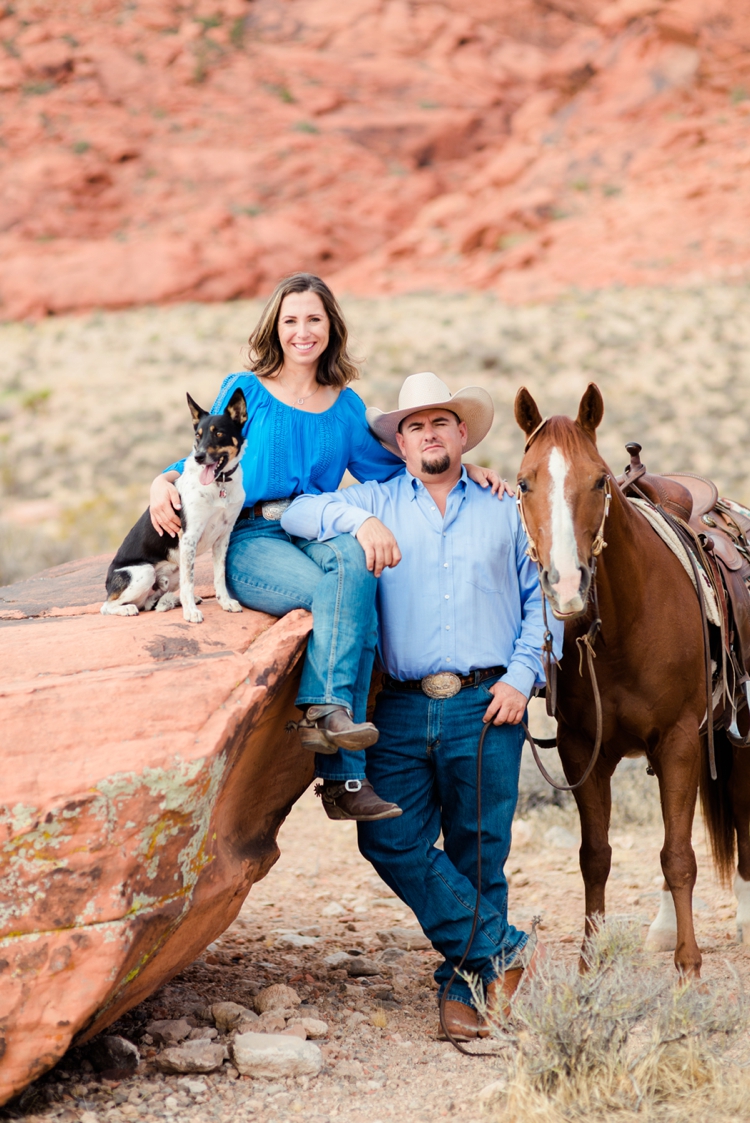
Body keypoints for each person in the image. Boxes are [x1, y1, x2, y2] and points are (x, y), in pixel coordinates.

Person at [148, 274, 505, 823]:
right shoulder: (246, 389)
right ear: (276, 327)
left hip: (314, 529)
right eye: (290, 320)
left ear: (330, 327)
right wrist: (161, 482)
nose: (302, 331)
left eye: (313, 319)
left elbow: (399, 466)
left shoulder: (345, 408)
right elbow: (204, 451)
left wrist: (462, 467)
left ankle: (334, 746)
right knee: (343, 597)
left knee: (356, 575)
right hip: (247, 535)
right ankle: (342, 776)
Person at [281, 371, 564, 1039]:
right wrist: (360, 517)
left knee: (477, 849)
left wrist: (522, 677)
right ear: (399, 443)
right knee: (386, 835)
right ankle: (503, 948)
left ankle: (464, 987)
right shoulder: (374, 498)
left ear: (462, 434)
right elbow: (294, 512)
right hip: (403, 707)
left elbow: (543, 602)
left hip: (487, 700)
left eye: (441, 422)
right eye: (415, 425)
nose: (429, 434)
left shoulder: (506, 508)